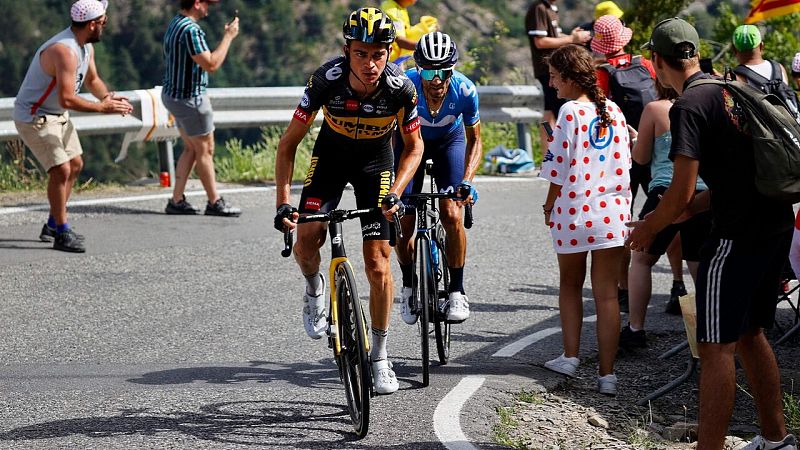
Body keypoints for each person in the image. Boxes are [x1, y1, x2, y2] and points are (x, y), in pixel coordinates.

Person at [627, 18, 796, 450]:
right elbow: (728, 183)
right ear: (696, 53)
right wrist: (684, 213)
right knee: (752, 332)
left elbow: (681, 190)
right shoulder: (732, 90)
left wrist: (651, 226)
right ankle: (776, 438)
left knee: (715, 345)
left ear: (656, 63)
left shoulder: (688, 106)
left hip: (735, 238)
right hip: (774, 224)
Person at [273, 7, 424, 395]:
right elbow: (288, 144)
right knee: (307, 238)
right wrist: (282, 203)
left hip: (377, 164)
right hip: (331, 160)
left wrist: (397, 192)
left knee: (377, 264)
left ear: (389, 52)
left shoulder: (400, 89)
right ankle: (314, 289)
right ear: (346, 50)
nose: (371, 63)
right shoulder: (326, 80)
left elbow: (414, 146)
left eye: (379, 54)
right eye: (361, 53)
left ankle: (380, 356)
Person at [540, 44, 631, 396]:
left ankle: (570, 356)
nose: (551, 82)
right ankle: (607, 375)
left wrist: (548, 206)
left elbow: (558, 168)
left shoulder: (568, 112)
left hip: (575, 211)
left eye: (553, 76)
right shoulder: (614, 110)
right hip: (612, 214)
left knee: (570, 285)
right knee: (607, 295)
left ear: (567, 76)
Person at [12, 0, 133, 253]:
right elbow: (67, 97)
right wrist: (103, 109)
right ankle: (62, 234)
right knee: (61, 170)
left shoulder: (85, 46)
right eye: (103, 22)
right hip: (35, 116)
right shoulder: (64, 50)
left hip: (56, 114)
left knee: (75, 165)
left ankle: (53, 223)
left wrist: (107, 98)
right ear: (92, 25)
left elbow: (93, 80)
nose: (105, 26)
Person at [394, 32, 481, 325]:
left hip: (449, 142)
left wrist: (467, 180)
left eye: (443, 71)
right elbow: (384, 135)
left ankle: (457, 290)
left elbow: (475, 141)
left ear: (452, 70)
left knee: (451, 213)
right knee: (402, 219)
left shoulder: (465, 91)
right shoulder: (404, 88)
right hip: (408, 145)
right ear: (418, 69)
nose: (436, 79)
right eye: (429, 71)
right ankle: (408, 285)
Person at [618, 78, 711, 348]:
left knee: (642, 258)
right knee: (698, 263)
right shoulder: (705, 105)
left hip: (665, 193)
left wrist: (636, 139)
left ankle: (636, 329)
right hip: (703, 194)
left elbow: (641, 158)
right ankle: (709, 332)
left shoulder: (656, 109)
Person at [591, 14, 659, 313]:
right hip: (654, 147)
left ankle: (623, 287)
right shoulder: (645, 64)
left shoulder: (601, 74)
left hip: (621, 155)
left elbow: (599, 115)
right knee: (665, 210)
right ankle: (678, 284)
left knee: (622, 218)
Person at [162, 0, 241, 217]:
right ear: (196, 3)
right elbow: (211, 64)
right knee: (205, 149)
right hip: (190, 99)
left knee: (191, 148)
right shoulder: (191, 30)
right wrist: (229, 36)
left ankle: (176, 200)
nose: (209, 8)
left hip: (173, 96)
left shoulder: (175, 23)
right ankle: (215, 202)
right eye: (207, 3)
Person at [526, 0, 591, 156]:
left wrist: (572, 37)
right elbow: (541, 41)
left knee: (549, 113)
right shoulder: (539, 8)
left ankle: (548, 155)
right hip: (548, 70)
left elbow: (554, 36)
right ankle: (562, 155)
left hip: (552, 68)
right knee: (560, 113)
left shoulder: (551, 9)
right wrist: (571, 40)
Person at [730, 24, 799, 120]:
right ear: (761, 46)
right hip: (791, 130)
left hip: (765, 134)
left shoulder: (736, 77)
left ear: (734, 49)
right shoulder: (779, 68)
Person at [380, 0, 436, 67]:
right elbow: (400, 41)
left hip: (395, 59)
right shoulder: (392, 9)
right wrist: (425, 47)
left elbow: (404, 33)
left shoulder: (400, 8)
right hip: (388, 60)